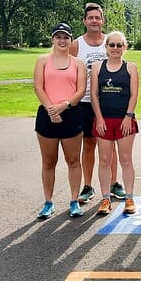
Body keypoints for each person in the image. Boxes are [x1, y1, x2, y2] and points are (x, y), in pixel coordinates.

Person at [70, 3, 125, 204]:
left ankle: (114, 183)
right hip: (84, 101)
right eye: (90, 17)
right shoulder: (76, 44)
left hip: (108, 101)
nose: (94, 21)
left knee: (111, 145)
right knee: (89, 143)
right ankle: (87, 185)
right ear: (84, 21)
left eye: (97, 17)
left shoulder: (110, 43)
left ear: (103, 20)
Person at [33, 23, 87, 219]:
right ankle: (48, 202)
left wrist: (63, 105)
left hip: (71, 115)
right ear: (53, 39)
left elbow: (80, 91)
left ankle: (74, 201)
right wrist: (51, 109)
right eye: (59, 37)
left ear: (71, 40)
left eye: (66, 37)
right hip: (47, 116)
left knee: (73, 161)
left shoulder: (78, 63)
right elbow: (38, 87)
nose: (62, 41)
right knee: (48, 162)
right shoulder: (42, 61)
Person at [91, 31, 139, 215]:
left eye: (119, 45)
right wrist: (99, 118)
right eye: (112, 45)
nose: (116, 48)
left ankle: (129, 198)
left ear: (124, 47)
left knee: (125, 159)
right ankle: (105, 199)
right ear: (106, 47)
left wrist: (128, 116)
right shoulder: (97, 67)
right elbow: (94, 94)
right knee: (104, 160)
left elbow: (134, 94)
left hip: (124, 121)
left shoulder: (130, 68)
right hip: (104, 120)